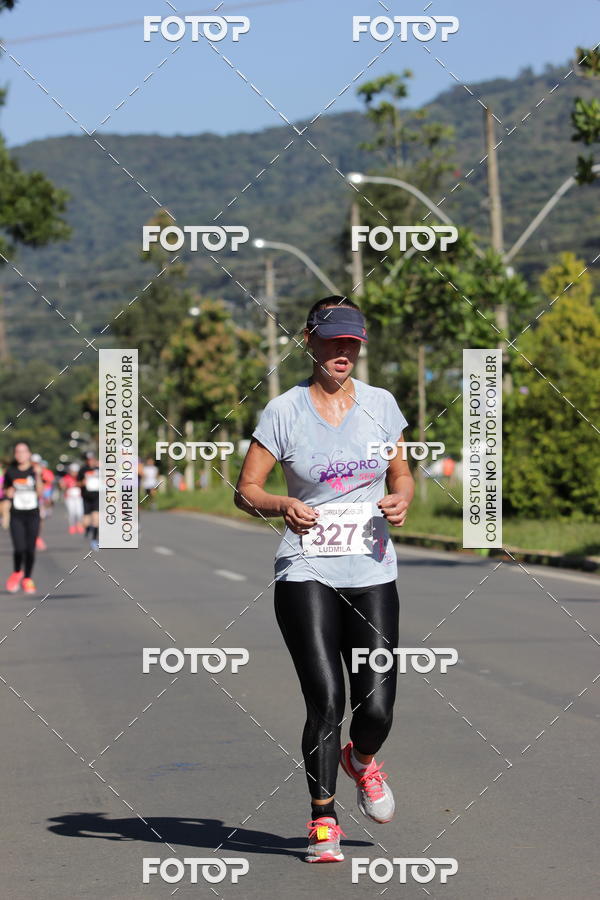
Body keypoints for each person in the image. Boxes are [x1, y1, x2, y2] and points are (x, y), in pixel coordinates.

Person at [234, 297, 414, 863]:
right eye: (333, 341)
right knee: (326, 700)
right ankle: (322, 821)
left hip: (372, 570)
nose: (344, 352)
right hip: (305, 571)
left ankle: (360, 760)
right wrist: (282, 503)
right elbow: (246, 490)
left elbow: (401, 471)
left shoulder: (382, 405)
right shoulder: (284, 412)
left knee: (378, 707)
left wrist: (403, 497)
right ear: (308, 341)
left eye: (352, 343)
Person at [4, 441, 44, 594]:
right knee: (19, 548)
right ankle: (16, 572)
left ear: (29, 454)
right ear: (15, 454)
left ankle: (27, 578)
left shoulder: (35, 471)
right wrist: (9, 493)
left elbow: (40, 493)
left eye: (23, 451)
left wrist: (39, 475)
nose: (21, 454)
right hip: (17, 515)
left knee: (30, 549)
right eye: (18, 452)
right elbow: (6, 492)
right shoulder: (11, 471)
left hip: (33, 514)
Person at [78, 450, 100, 551]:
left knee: (96, 519)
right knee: (86, 522)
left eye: (92, 459)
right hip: (86, 498)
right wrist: (82, 482)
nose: (90, 461)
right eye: (88, 460)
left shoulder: (99, 468)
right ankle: (88, 529)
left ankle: (94, 540)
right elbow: (77, 483)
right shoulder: (83, 470)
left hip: (97, 496)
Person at [60, 463, 84, 534]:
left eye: (76, 471)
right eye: (73, 471)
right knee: (71, 513)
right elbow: (62, 486)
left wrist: (78, 484)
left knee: (80, 512)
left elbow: (83, 484)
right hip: (69, 498)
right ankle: (72, 526)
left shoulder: (80, 477)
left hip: (79, 497)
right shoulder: (66, 477)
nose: (74, 473)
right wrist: (64, 485)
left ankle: (79, 524)